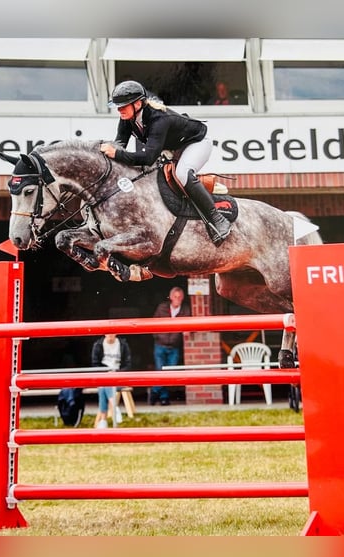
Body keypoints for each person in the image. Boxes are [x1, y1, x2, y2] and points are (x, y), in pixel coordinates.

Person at [99, 80, 231, 246]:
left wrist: (116, 153)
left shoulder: (159, 119)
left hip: (196, 143)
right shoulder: (127, 118)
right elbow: (120, 145)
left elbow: (147, 158)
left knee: (182, 173)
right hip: (171, 147)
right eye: (118, 106)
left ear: (138, 103)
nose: (119, 110)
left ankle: (217, 219)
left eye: (123, 106)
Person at [150, 286, 191, 405]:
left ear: (182, 298)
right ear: (171, 297)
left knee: (170, 372)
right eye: (175, 296)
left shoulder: (185, 310)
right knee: (160, 371)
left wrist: (188, 330)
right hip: (160, 345)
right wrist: (156, 336)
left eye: (179, 297)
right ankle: (164, 398)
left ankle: (154, 391)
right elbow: (154, 322)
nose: (177, 299)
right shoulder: (162, 307)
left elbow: (188, 324)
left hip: (174, 346)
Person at [90, 333, 132, 428]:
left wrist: (116, 373)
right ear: (105, 334)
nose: (110, 335)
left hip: (119, 376)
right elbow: (95, 365)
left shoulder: (123, 345)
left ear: (116, 334)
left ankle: (103, 420)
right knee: (105, 383)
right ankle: (114, 408)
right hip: (103, 375)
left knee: (104, 385)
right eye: (108, 333)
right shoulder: (98, 345)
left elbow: (128, 364)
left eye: (112, 333)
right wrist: (106, 372)